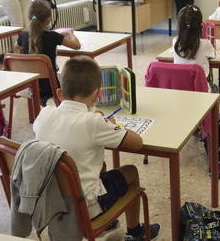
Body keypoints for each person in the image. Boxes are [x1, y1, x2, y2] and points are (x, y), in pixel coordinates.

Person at [33, 57, 160, 241]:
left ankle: (111, 222)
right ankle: (135, 232)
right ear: (97, 95)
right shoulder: (94, 122)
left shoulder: (44, 114)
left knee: (97, 163)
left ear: (60, 93)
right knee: (130, 172)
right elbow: (137, 143)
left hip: (51, 202)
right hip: (84, 206)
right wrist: (108, 124)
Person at [16, 0, 81, 105]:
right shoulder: (52, 36)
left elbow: (17, 45)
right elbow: (77, 46)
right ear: (49, 19)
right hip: (51, 86)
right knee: (70, 79)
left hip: (31, 86)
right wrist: (70, 33)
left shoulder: (23, 35)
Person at [173, 5, 216, 91]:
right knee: (214, 88)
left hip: (180, 88)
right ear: (201, 26)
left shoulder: (175, 42)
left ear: (179, 26)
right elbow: (213, 55)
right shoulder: (205, 43)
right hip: (200, 89)